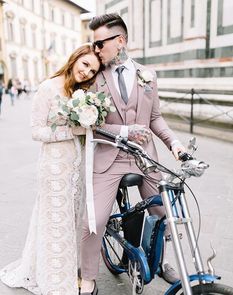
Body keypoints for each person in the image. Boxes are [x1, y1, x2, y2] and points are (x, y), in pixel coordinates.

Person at [79, 13, 186, 295]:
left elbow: (156, 118)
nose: (96, 50)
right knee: (96, 220)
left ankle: (160, 262)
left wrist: (174, 143)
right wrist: (124, 131)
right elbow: (92, 123)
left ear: (120, 41)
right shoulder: (95, 78)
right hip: (109, 158)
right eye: (94, 44)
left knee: (164, 214)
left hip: (145, 157)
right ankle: (88, 276)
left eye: (100, 43)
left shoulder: (147, 75)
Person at [0, 44, 101, 295]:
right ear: (75, 58)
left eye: (93, 70)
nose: (87, 72)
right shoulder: (47, 87)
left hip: (77, 164)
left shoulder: (83, 93)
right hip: (54, 167)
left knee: (73, 219)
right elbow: (36, 131)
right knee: (55, 220)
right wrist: (72, 131)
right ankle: (54, 275)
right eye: (85, 64)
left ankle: (70, 268)